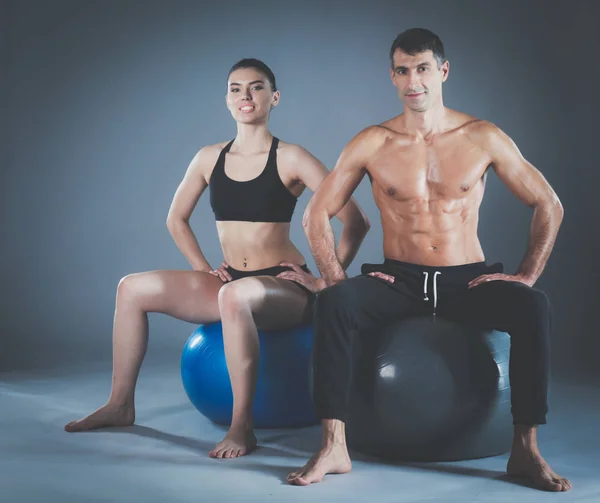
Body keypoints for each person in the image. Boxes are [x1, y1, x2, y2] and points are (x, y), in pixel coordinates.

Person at [286, 29, 572, 492]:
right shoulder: (373, 142)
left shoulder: (482, 136)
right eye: (402, 70)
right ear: (393, 77)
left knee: (533, 306)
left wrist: (526, 275)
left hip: (468, 279)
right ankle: (333, 445)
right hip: (399, 278)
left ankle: (525, 449)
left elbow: (548, 204)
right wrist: (335, 279)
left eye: (422, 68)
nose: (412, 80)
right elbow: (316, 214)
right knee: (334, 305)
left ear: (442, 71)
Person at [64, 58, 370, 460]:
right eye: (235, 88)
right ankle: (120, 404)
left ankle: (242, 425)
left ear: (274, 97)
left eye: (256, 87)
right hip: (232, 283)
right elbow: (176, 219)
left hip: (282, 287)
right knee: (131, 288)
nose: (245, 95)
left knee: (235, 297)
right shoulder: (209, 157)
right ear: (226, 99)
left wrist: (327, 281)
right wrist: (202, 269)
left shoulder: (291, 157)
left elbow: (356, 221)